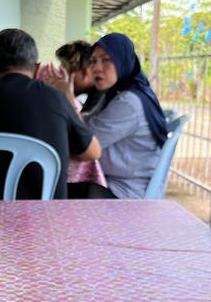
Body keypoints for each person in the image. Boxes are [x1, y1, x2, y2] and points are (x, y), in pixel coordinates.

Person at [0, 28, 101, 199]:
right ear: (37, 70)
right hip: (48, 220)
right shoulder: (55, 97)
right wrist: (68, 96)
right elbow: (93, 153)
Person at [67, 32, 168, 199]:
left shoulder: (128, 102)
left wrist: (66, 96)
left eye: (106, 59)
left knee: (53, 191)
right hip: (115, 181)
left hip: (126, 192)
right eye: (93, 61)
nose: (97, 68)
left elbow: (83, 143)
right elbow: (87, 122)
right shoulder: (118, 93)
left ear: (123, 61)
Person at [37, 40, 95, 112]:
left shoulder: (100, 101)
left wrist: (67, 94)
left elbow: (76, 122)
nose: (60, 76)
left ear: (85, 73)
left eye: (64, 72)